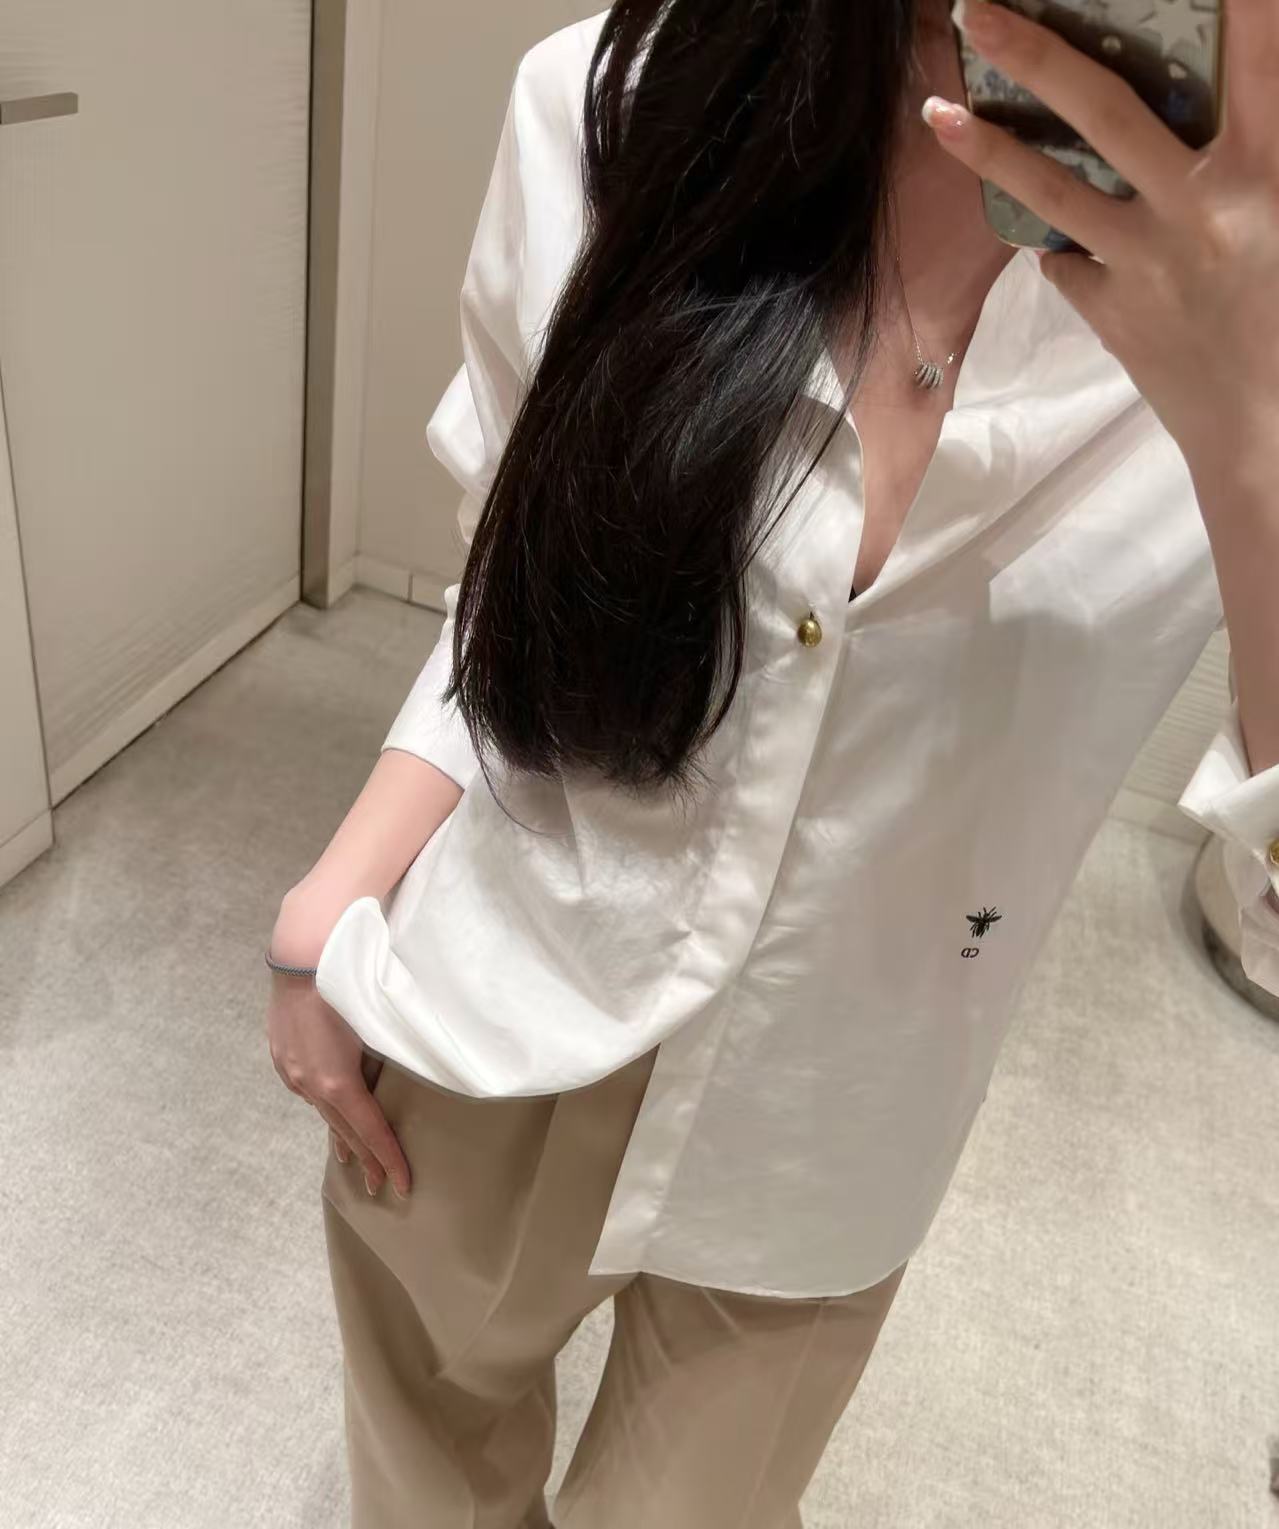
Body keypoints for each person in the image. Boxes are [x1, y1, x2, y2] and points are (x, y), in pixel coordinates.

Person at [265, 1, 1279, 1525]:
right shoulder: (612, 99)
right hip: (505, 1004)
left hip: (840, 1115)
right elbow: (521, 580)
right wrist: (342, 886)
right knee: (423, 1477)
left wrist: (1254, 430)